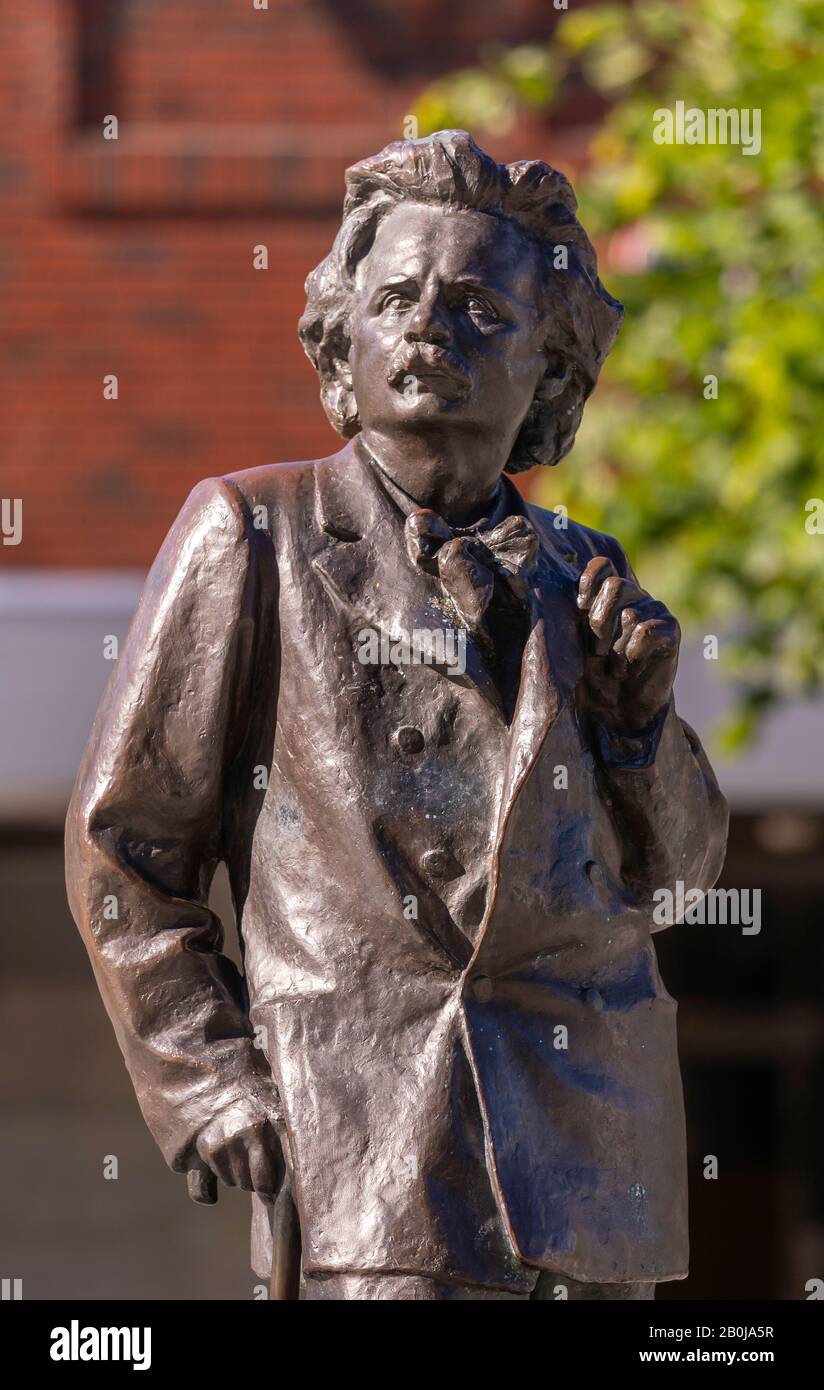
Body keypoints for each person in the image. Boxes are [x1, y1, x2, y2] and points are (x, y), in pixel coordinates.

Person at [65, 131, 728, 1301]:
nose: (429, 325)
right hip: (369, 1139)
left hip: (587, 1166)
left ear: (552, 373)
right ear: (342, 339)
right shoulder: (252, 535)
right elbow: (126, 846)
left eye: (477, 306)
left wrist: (636, 728)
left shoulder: (581, 573)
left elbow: (670, 879)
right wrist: (209, 1075)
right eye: (396, 297)